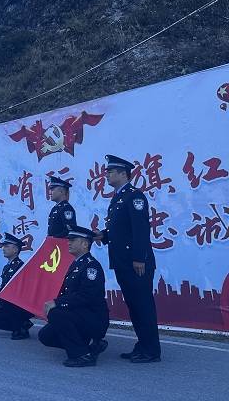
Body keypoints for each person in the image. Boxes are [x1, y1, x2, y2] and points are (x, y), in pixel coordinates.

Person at [93, 154, 161, 363]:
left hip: (136, 263)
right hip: (123, 262)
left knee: (143, 306)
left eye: (110, 172)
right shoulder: (118, 198)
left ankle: (151, 351)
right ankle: (142, 345)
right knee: (134, 305)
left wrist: (139, 258)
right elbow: (121, 229)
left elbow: (140, 230)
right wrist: (103, 235)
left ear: (123, 174)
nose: (107, 175)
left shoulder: (134, 197)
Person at [38, 225, 109, 367]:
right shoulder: (77, 264)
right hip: (80, 315)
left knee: (56, 313)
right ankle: (89, 345)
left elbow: (86, 296)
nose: (68, 243)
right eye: (69, 240)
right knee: (45, 336)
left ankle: (82, 355)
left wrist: (57, 303)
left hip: (94, 318)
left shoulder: (91, 266)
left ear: (85, 244)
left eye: (73, 240)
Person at [0, 232, 33, 340]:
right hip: (7, 304)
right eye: (3, 246)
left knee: (9, 306)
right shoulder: (6, 267)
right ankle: (22, 324)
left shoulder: (21, 267)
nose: (3, 249)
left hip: (18, 305)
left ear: (15, 250)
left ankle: (19, 328)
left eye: (6, 246)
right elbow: (3, 288)